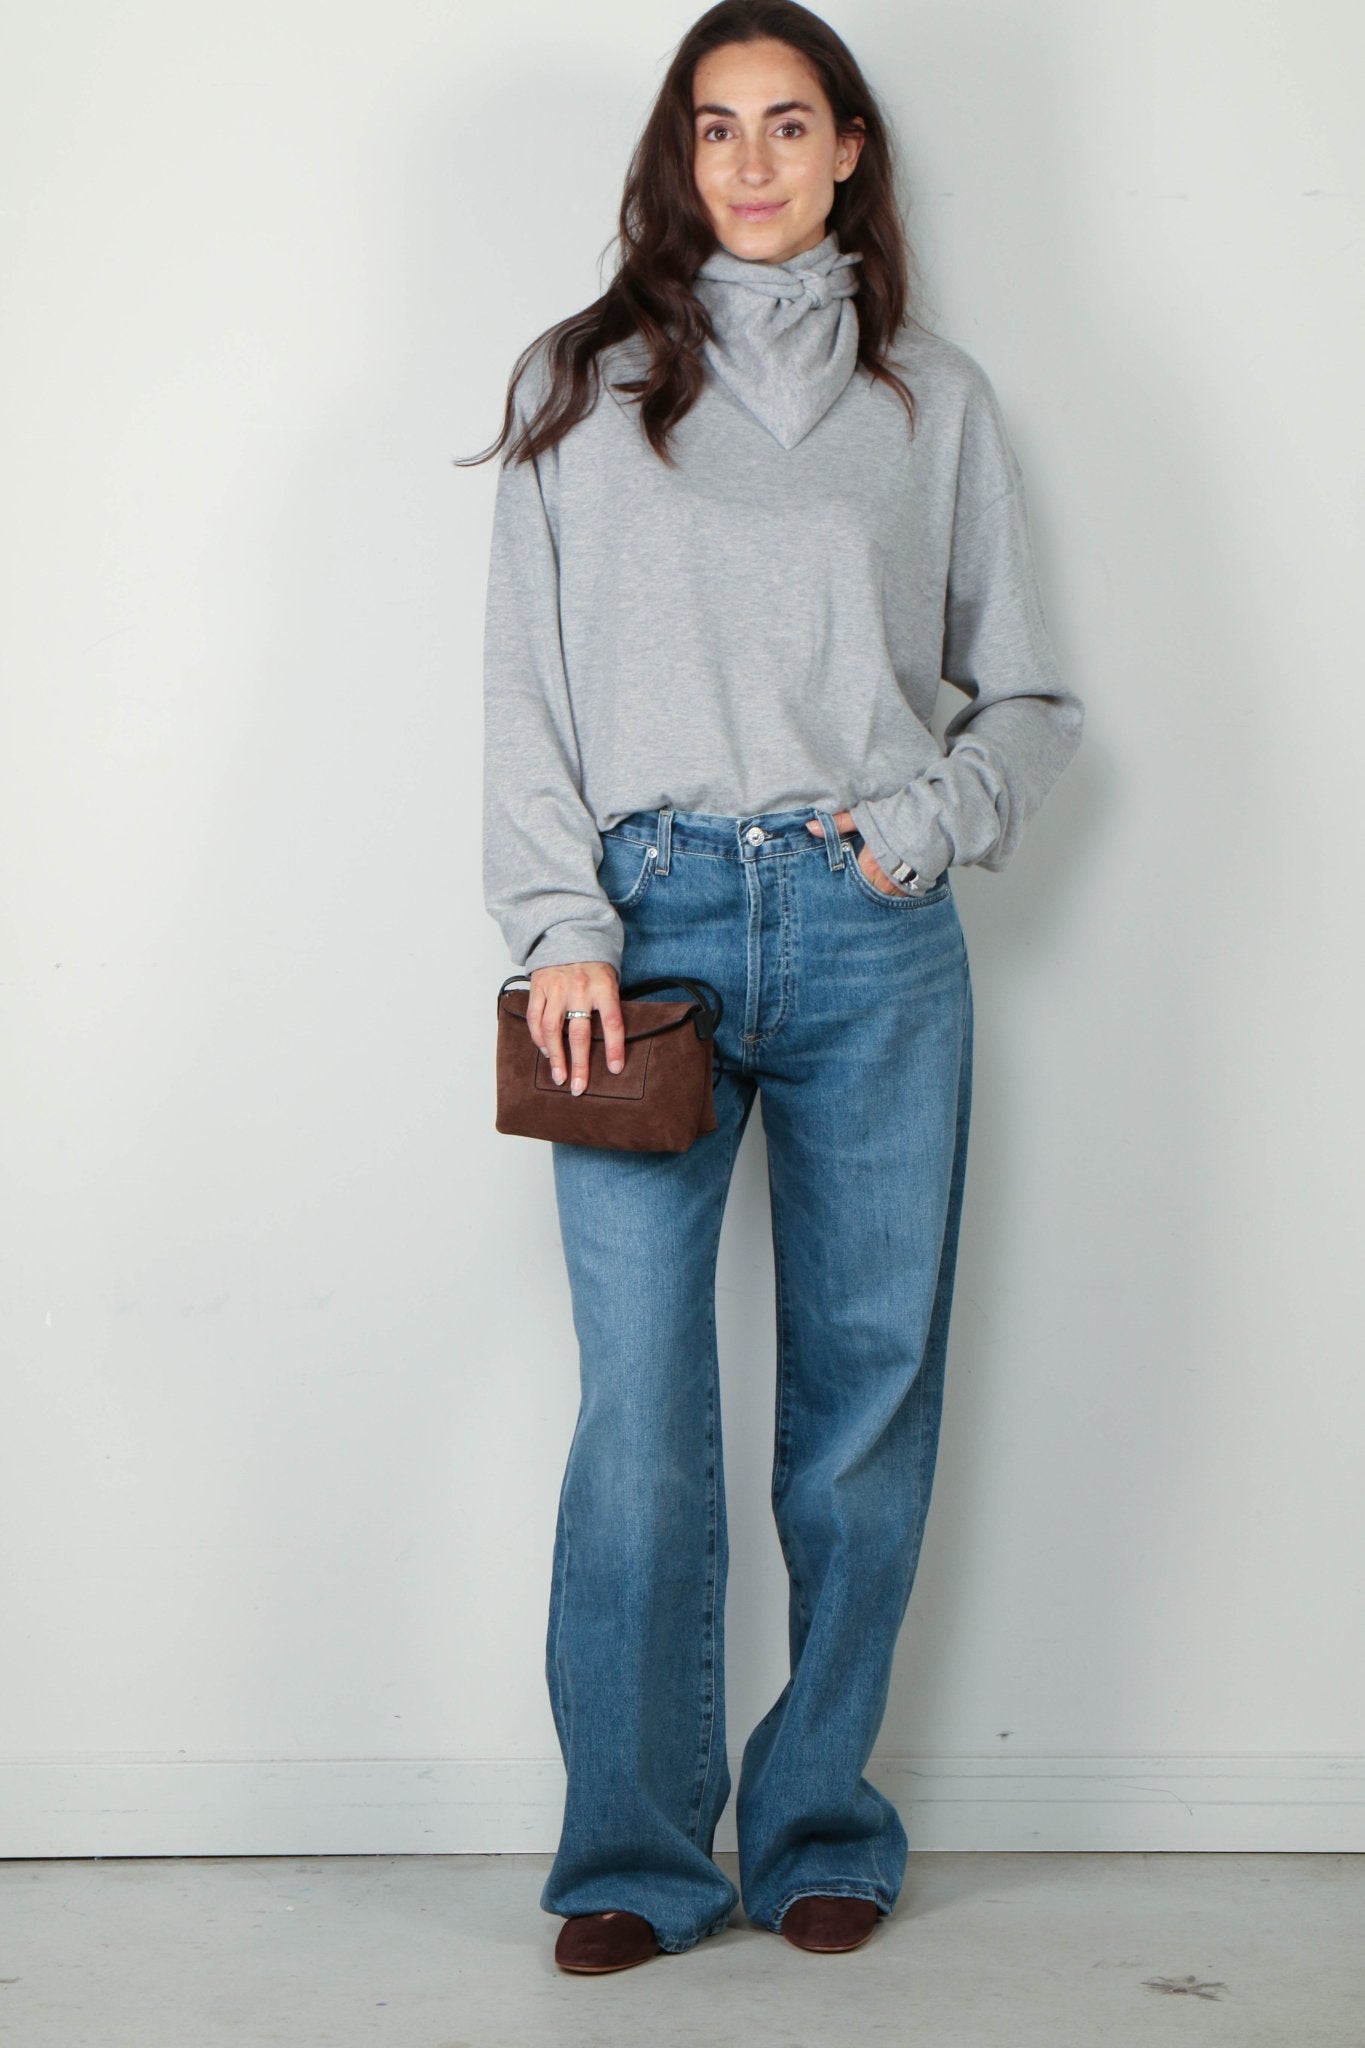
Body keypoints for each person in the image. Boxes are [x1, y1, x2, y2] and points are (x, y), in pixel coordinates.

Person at [465, 0, 1084, 1976]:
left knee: (862, 1405)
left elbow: (1030, 698)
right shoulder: (579, 386)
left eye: (787, 123)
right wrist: (557, 926)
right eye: (714, 126)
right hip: (635, 944)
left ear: (845, 153)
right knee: (640, 1423)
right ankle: (635, 1859)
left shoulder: (932, 403)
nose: (749, 161)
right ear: (679, 156)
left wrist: (922, 824)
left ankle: (819, 1821)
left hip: (869, 931)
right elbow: (524, 702)